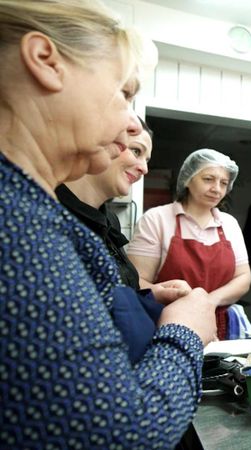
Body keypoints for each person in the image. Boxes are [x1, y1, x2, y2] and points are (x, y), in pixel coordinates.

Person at [0, 1, 217, 448]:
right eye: (124, 94)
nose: (126, 125)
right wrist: (185, 333)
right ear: (45, 61)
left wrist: (144, 300)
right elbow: (121, 436)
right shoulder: (18, 225)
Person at [56, 116, 193, 363]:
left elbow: (112, 294)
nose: (144, 168)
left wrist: (153, 292)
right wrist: (182, 332)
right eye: (136, 151)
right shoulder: (55, 220)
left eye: (147, 159)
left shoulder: (109, 221)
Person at [128, 149, 251, 341]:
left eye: (224, 183)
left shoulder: (229, 224)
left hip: (222, 329)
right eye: (208, 179)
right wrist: (181, 300)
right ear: (188, 179)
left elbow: (243, 277)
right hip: (167, 326)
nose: (217, 189)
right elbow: (136, 281)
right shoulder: (157, 219)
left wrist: (209, 302)